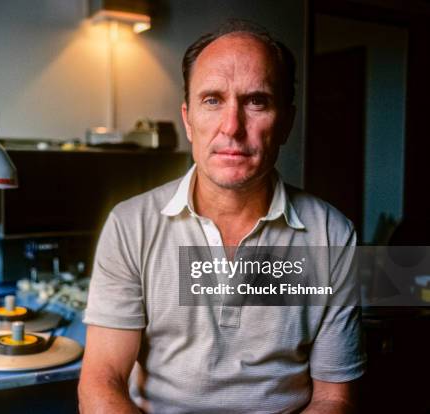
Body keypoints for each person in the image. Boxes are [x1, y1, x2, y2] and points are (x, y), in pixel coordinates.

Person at [78, 20, 365, 414]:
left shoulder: (333, 234)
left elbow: (334, 397)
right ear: (188, 119)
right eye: (212, 100)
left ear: (286, 122)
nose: (232, 127)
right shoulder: (130, 225)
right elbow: (101, 379)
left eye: (257, 101)